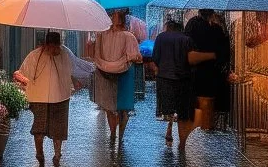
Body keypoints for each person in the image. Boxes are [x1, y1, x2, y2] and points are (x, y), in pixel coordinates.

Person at [14, 31, 76, 165]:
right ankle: (39, 152)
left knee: (58, 128)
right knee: (39, 127)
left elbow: (73, 69)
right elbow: (23, 73)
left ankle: (57, 154)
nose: (54, 49)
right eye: (51, 46)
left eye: (56, 46)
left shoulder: (64, 54)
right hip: (39, 97)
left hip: (60, 97)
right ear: (46, 44)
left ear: (59, 44)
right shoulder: (36, 55)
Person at [153, 19, 215, 151]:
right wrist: (212, 55)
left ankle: (169, 128)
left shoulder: (160, 37)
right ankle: (182, 143)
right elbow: (191, 59)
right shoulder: (186, 39)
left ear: (168, 27)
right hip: (183, 81)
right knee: (183, 114)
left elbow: (156, 58)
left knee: (169, 109)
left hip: (164, 80)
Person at [91, 9, 143, 146]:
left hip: (107, 73)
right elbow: (137, 58)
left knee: (111, 108)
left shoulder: (103, 36)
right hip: (123, 74)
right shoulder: (127, 36)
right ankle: (118, 135)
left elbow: (94, 54)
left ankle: (114, 133)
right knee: (122, 109)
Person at [185, 9, 225, 133]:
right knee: (207, 103)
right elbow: (222, 54)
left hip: (192, 73)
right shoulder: (216, 30)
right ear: (212, 15)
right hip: (210, 74)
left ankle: (195, 129)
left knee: (194, 103)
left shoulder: (191, 25)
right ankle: (206, 128)